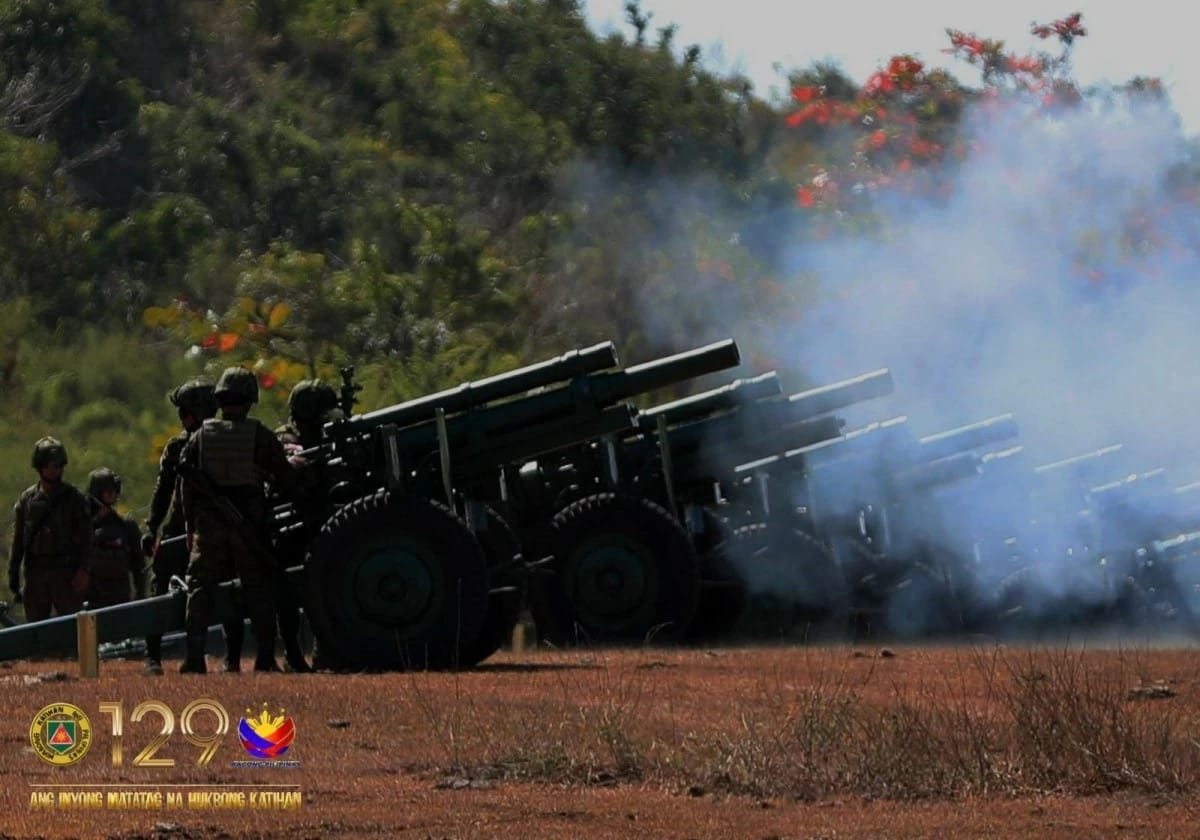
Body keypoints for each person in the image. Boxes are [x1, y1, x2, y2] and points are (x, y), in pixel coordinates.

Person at [176, 366, 301, 674]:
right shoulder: (259, 434)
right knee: (259, 587)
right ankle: (264, 657)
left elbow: (186, 484)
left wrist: (191, 527)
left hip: (209, 523)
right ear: (249, 400)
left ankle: (194, 657)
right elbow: (285, 477)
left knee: (200, 587)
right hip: (248, 521)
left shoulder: (202, 435)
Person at [141, 379, 247, 675]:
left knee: (228, 590)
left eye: (185, 411)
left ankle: (232, 658)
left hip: (214, 528)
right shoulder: (179, 447)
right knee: (162, 585)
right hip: (182, 529)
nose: (182, 418)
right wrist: (152, 526)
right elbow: (164, 490)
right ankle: (154, 656)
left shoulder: (225, 441)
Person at [274, 379, 344, 673]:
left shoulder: (328, 437)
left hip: (318, 522)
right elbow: (292, 460)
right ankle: (292, 654)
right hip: (287, 525)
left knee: (326, 590)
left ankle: (325, 652)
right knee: (289, 596)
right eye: (323, 414)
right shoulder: (285, 437)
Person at [8, 438, 93, 622]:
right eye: (49, 465)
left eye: (58, 465)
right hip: (36, 571)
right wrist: (13, 574)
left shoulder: (74, 498)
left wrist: (83, 569)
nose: (54, 470)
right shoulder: (28, 500)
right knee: (37, 631)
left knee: (71, 628)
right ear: (40, 467)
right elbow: (19, 540)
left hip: (65, 572)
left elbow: (87, 537)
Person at [85, 468, 147, 608]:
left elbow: (138, 564)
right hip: (93, 595)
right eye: (107, 491)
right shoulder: (85, 526)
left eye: (113, 490)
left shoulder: (126, 525)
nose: (111, 494)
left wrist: (140, 594)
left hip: (119, 594)